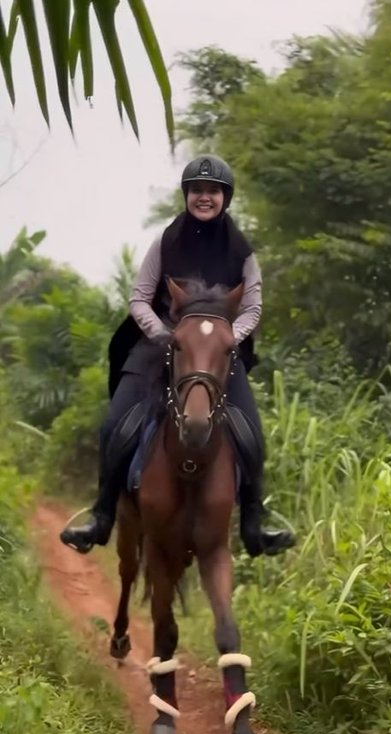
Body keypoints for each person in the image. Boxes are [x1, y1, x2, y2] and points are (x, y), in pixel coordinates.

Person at [60, 155, 295, 558]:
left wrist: (225, 339)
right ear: (187, 195)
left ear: (225, 198)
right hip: (159, 346)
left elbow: (253, 309)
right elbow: (139, 298)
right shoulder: (164, 241)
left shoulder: (242, 251)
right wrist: (166, 336)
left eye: (213, 191)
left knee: (250, 430)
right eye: (197, 190)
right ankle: (102, 516)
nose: (205, 197)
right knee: (116, 423)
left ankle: (254, 522)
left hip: (218, 352)